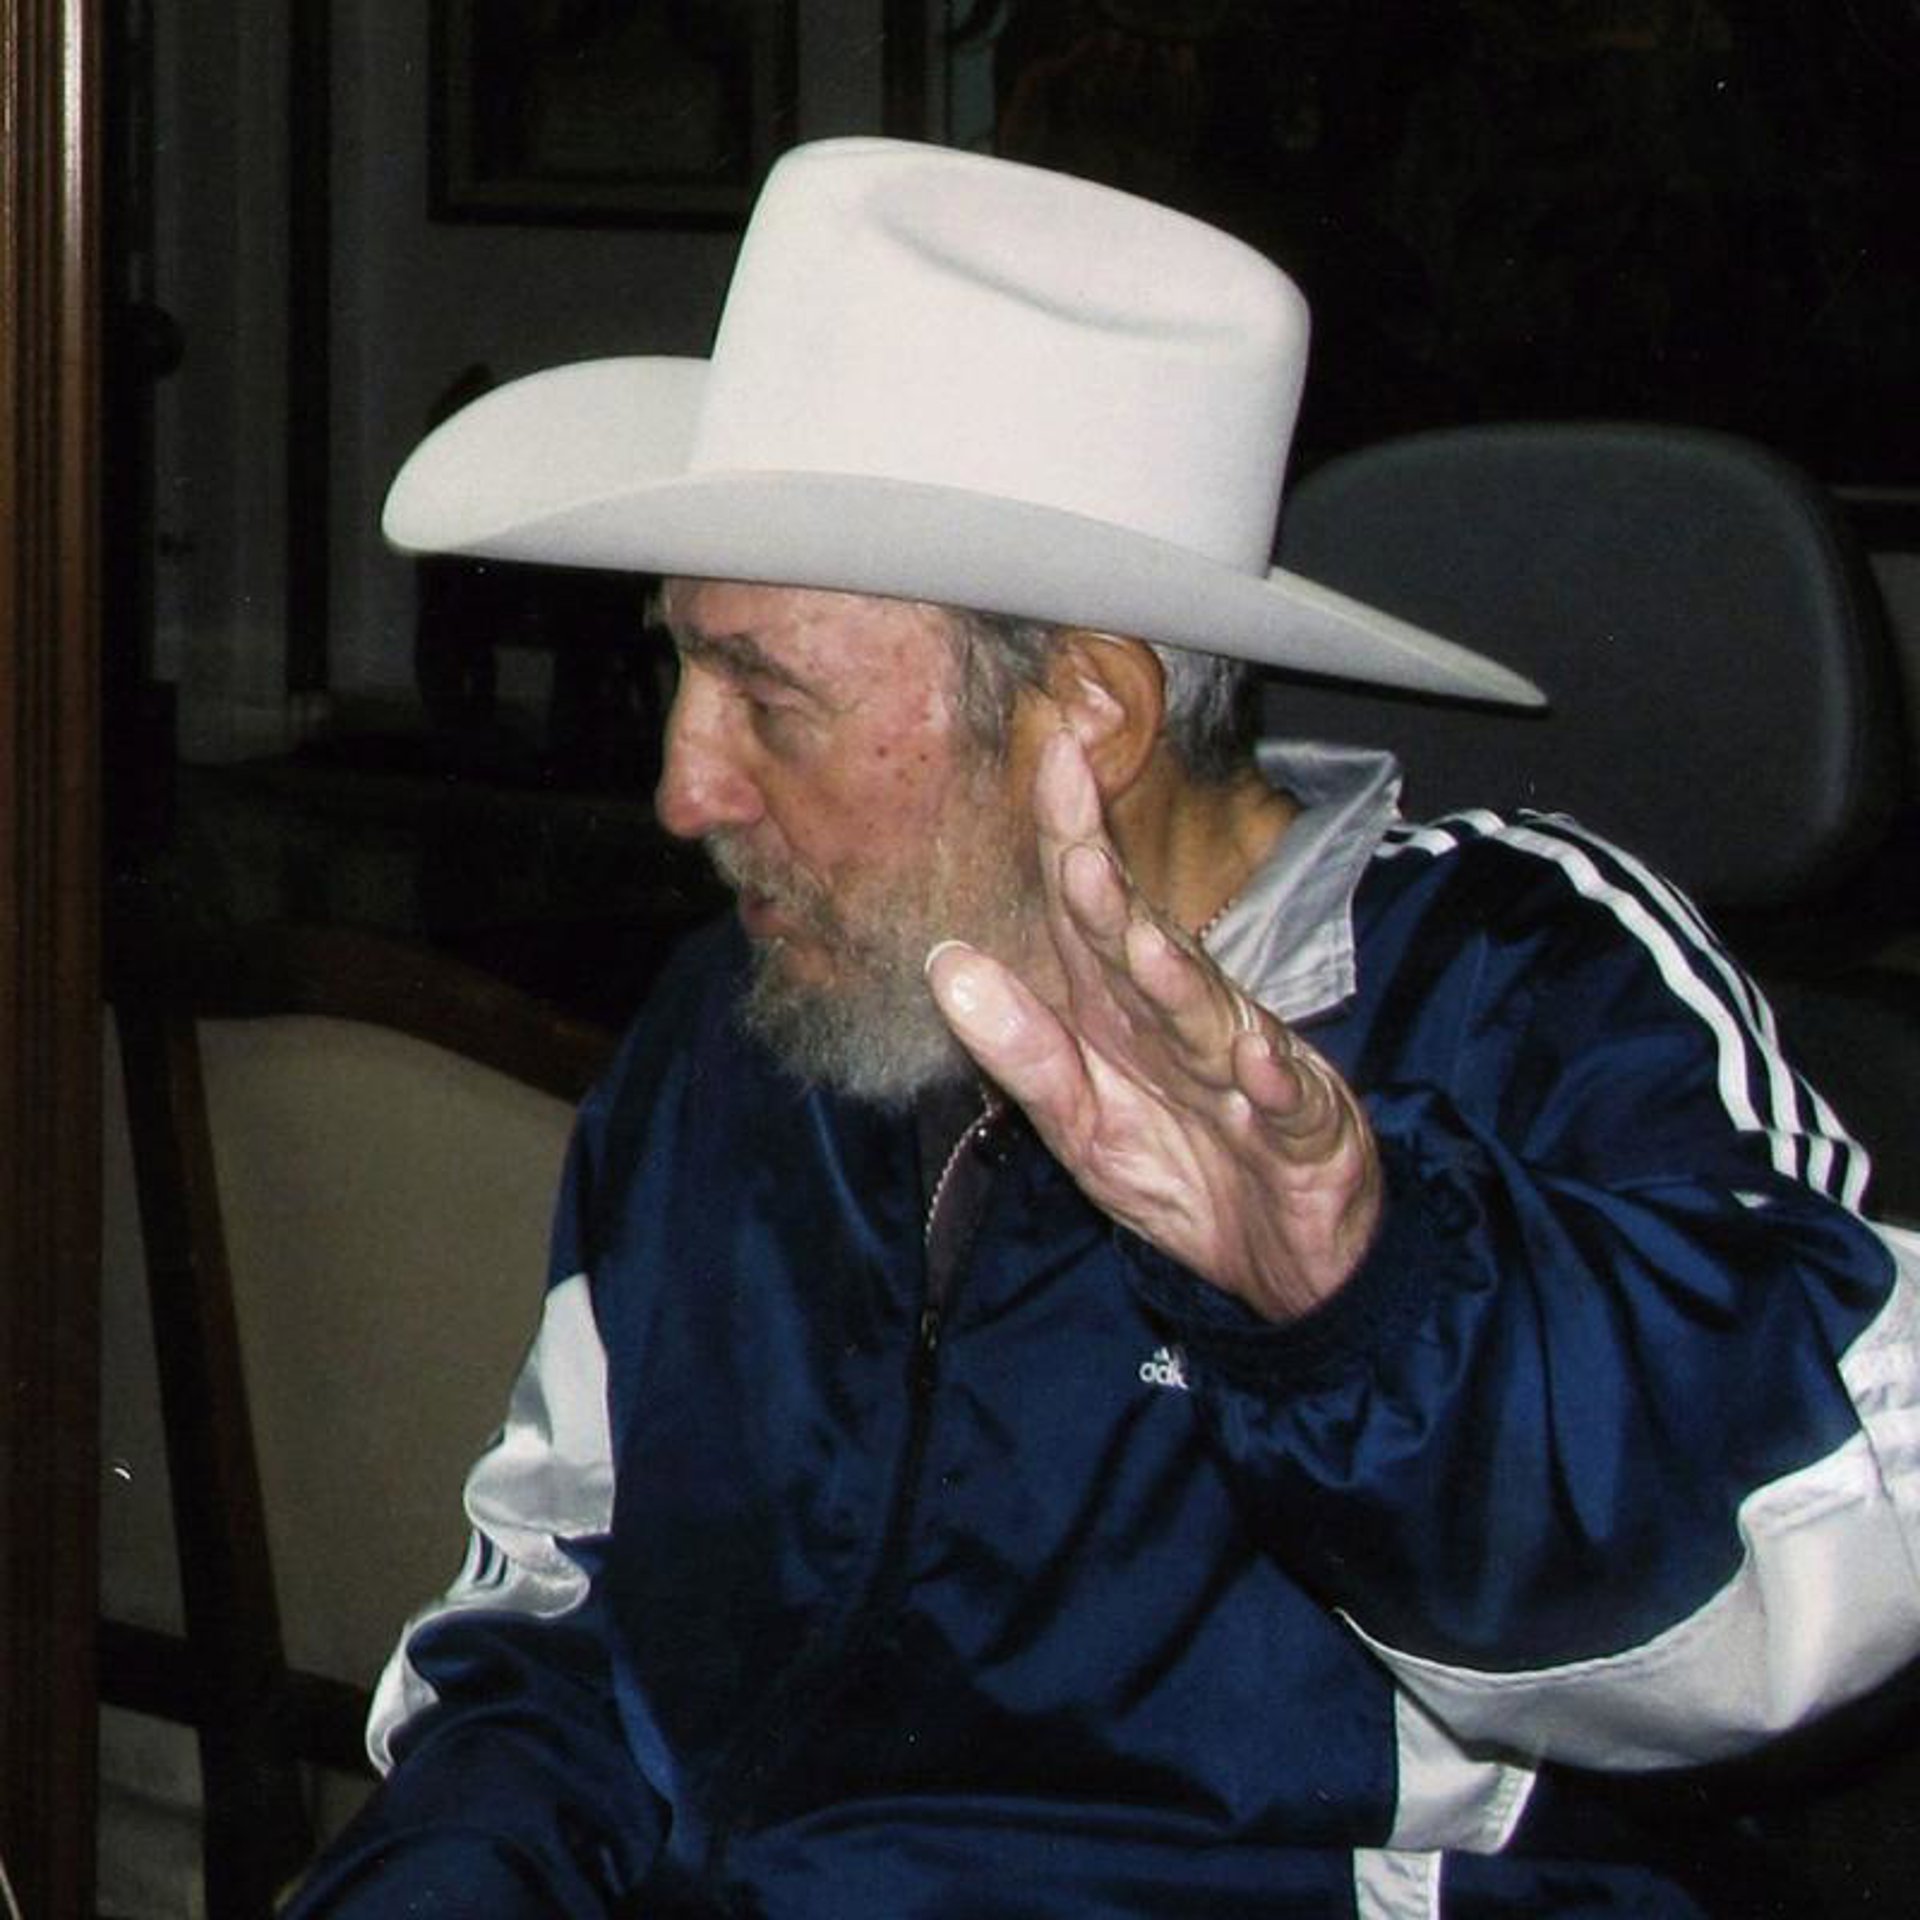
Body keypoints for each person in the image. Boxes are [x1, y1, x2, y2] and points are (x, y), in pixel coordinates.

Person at [288, 138, 1920, 1917]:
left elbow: (1840, 1546)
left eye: (768, 695)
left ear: (1087, 710)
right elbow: (559, 1627)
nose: (685, 787)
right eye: (683, 663)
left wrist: (1367, 1304)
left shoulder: (1523, 986)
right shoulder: (745, 1024)